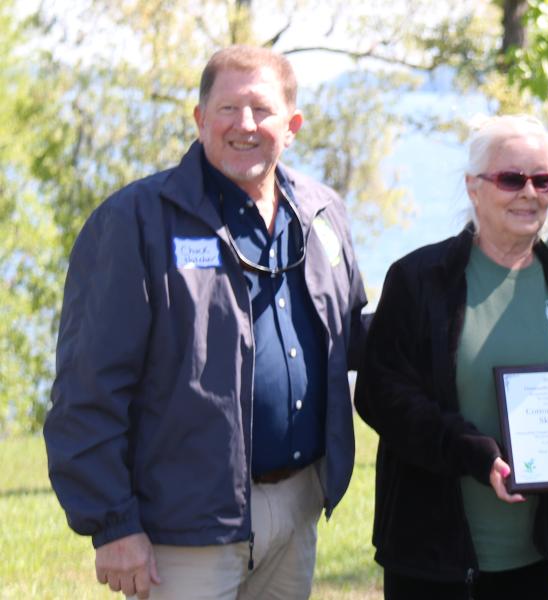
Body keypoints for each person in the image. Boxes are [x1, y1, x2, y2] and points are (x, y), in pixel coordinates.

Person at [43, 45, 368, 599]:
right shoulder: (134, 223)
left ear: (291, 126)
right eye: (227, 109)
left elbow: (356, 337)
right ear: (199, 119)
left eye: (262, 110)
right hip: (186, 528)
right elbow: (87, 388)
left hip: (297, 507)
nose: (245, 125)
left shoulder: (320, 214)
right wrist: (112, 524)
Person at [354, 115, 548, 600]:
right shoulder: (419, 279)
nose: (529, 193)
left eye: (544, 180)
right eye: (511, 179)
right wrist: (469, 450)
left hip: (534, 552)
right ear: (474, 188)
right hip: (430, 549)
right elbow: (380, 394)